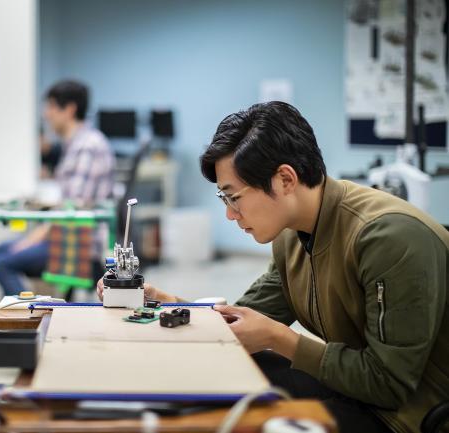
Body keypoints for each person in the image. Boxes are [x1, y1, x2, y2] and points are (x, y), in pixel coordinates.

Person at [97, 102, 449, 433]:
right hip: (353, 388)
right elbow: (240, 320)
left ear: (285, 179)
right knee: (227, 371)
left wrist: (283, 340)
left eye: (233, 197)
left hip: (404, 415)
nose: (230, 214)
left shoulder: (388, 236)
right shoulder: (292, 235)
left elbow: (389, 385)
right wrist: (161, 302)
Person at [0, 80, 115, 296]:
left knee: (2, 263)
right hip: (71, 238)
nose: (46, 114)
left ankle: (34, 315)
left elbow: (73, 210)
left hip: (80, 249)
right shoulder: (77, 144)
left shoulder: (87, 146)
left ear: (69, 109)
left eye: (50, 106)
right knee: (2, 250)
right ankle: (36, 311)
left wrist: (31, 240)